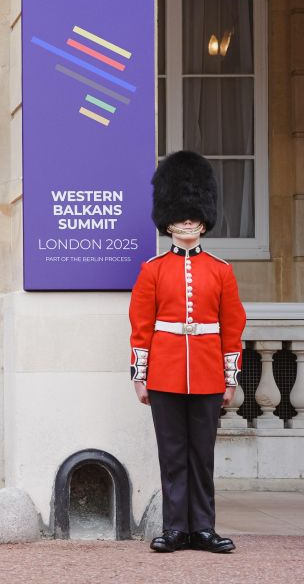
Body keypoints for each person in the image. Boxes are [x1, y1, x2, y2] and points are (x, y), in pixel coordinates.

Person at [130, 150, 245, 554]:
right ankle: (176, 528)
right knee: (172, 455)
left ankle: (204, 528)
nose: (187, 223)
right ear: (168, 221)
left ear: (204, 219)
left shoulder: (221, 270)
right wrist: (140, 376)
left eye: (194, 216)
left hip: (208, 373)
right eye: (180, 217)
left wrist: (229, 379)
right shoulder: (153, 269)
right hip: (165, 373)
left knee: (202, 456)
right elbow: (141, 327)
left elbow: (232, 328)